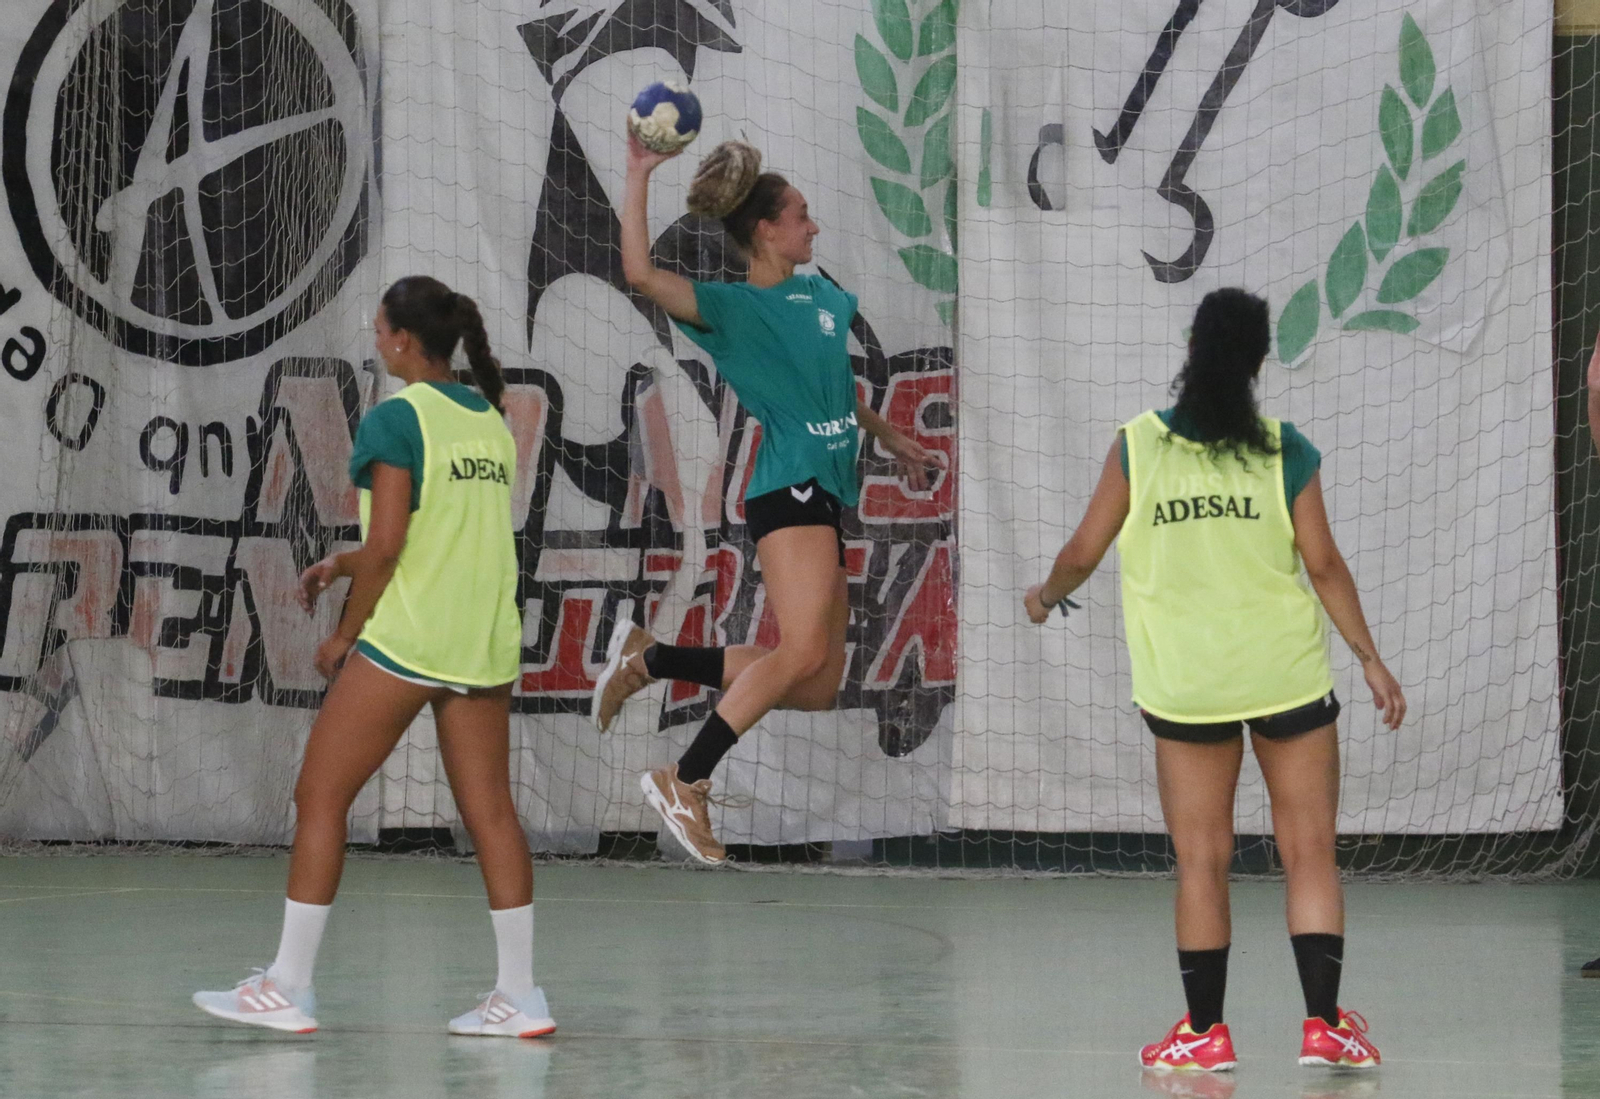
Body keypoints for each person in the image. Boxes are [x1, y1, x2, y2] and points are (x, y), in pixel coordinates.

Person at [1022, 288, 1405, 1071]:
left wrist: (1044, 596)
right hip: (1287, 676)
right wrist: (1368, 654)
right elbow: (1324, 564)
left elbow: (1082, 552)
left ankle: (1204, 1035)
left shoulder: (1138, 445)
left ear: (1192, 347)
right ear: (1261, 360)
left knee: (1201, 857)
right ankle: (1324, 1026)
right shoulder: (1283, 448)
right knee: (1310, 851)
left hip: (1187, 686)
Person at [193, 277, 552, 1038]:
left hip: (408, 638)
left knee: (319, 796)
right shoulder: (488, 420)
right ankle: (520, 996)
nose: (373, 338)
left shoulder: (395, 418)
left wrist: (343, 633)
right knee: (492, 813)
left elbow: (392, 546)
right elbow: (435, 536)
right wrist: (344, 564)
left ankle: (287, 985)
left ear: (399, 341)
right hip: (479, 639)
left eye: (378, 328)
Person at [598, 133, 934, 865]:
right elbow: (637, 270)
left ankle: (650, 659)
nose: (813, 226)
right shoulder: (731, 309)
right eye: (801, 215)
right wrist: (638, 171)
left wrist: (892, 438)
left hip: (828, 489)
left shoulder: (823, 296)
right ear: (766, 230)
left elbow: (834, 387)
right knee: (803, 649)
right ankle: (685, 776)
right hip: (788, 485)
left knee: (816, 684)